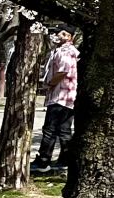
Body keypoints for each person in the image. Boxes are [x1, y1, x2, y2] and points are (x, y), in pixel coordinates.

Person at [31, 29, 80, 173]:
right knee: (64, 130)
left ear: (70, 37)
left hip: (61, 95)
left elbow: (63, 70)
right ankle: (64, 160)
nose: (59, 36)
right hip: (66, 96)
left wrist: (50, 83)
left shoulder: (66, 51)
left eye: (64, 34)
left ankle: (43, 161)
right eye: (59, 33)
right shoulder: (61, 50)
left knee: (50, 129)